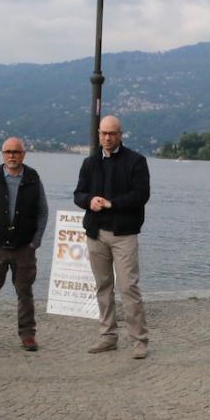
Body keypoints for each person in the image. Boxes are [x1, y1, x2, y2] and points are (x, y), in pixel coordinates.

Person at [74, 115, 152, 359]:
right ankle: (108, 336)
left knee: (129, 287)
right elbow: (78, 194)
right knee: (103, 286)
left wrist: (111, 203)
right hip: (96, 234)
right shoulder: (90, 162)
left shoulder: (136, 161)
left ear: (120, 135)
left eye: (112, 133)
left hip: (124, 234)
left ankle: (139, 340)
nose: (107, 138)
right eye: (103, 133)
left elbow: (141, 195)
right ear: (98, 134)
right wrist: (89, 201)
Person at [0, 137, 49, 352]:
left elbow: (43, 211)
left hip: (25, 248)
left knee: (25, 293)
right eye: (8, 152)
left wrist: (36, 241)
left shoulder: (34, 179)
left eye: (16, 152)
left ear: (23, 154)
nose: (12, 156)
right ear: (2, 154)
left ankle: (27, 334)